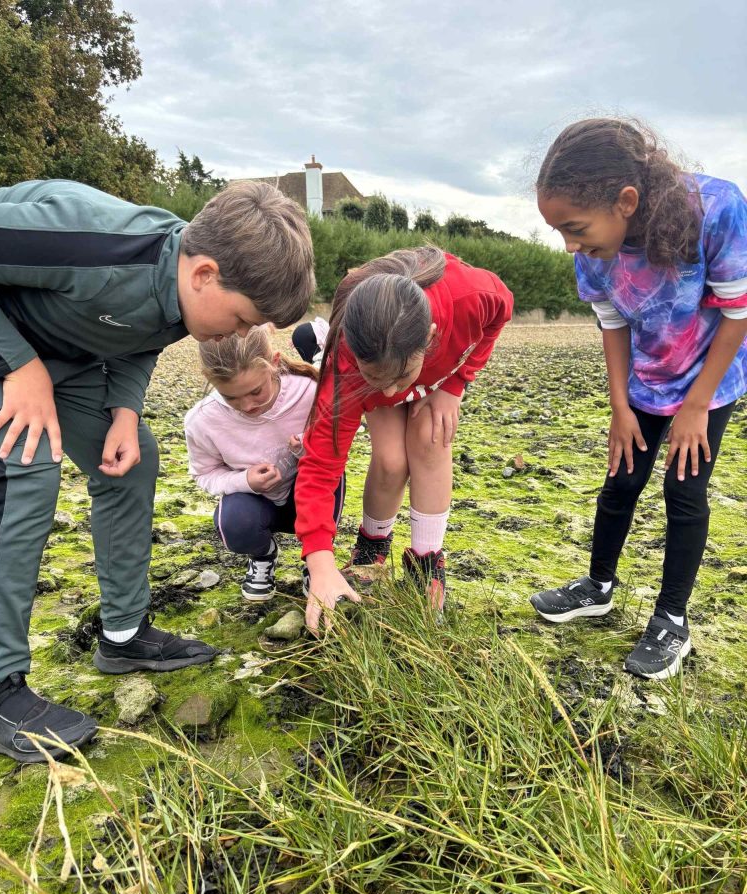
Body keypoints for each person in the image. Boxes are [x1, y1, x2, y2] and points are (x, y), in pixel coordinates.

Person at [0, 178, 315, 762]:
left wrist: (125, 410)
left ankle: (123, 634)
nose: (239, 337)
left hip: (64, 356)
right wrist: (19, 365)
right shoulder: (90, 243)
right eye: (241, 320)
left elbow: (144, 334)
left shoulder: (182, 291)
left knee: (132, 462)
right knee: (26, 463)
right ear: (204, 274)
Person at [530, 118, 747, 680]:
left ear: (626, 200)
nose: (571, 245)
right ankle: (597, 587)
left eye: (575, 228)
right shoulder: (592, 252)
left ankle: (672, 619)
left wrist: (696, 406)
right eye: (560, 232)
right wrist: (621, 408)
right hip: (646, 382)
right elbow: (612, 323)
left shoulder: (717, 209)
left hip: (710, 376)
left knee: (684, 489)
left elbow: (737, 312)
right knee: (622, 478)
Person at [294, 246, 514, 633]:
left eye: (400, 378)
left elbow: (502, 310)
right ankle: (372, 547)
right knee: (392, 460)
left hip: (437, 377)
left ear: (429, 338)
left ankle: (427, 563)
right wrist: (319, 559)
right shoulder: (346, 365)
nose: (396, 391)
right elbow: (320, 466)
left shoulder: (472, 296)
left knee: (431, 437)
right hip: (381, 371)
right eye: (381, 379)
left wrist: (455, 385)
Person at [185, 325, 344, 601]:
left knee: (331, 482)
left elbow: (337, 450)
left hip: (305, 494)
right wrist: (245, 480)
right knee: (232, 523)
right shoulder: (202, 420)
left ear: (274, 362)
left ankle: (316, 561)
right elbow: (204, 474)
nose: (247, 406)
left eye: (256, 392)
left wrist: (307, 451)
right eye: (231, 397)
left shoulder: (309, 392)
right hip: (257, 503)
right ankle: (264, 554)